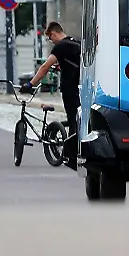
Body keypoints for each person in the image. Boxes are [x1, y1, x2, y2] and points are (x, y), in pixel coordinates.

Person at [24, 21, 80, 171]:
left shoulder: (60, 46)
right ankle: (77, 150)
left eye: (50, 38)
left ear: (54, 33)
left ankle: (72, 156)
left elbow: (45, 66)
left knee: (73, 120)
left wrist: (31, 84)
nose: (51, 41)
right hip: (83, 87)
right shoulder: (77, 43)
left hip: (69, 88)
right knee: (78, 119)